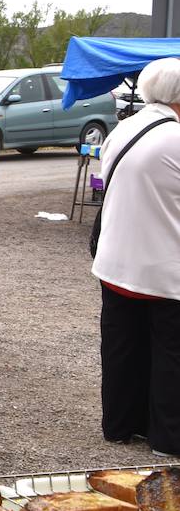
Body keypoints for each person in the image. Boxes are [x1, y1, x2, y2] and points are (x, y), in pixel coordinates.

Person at [92, 57, 180, 457]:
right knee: (170, 351)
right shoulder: (174, 138)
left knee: (122, 345)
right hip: (164, 267)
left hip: (116, 260)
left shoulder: (124, 129)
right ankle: (168, 438)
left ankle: (120, 425)